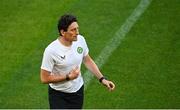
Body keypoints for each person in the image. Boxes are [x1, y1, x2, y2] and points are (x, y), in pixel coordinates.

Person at [40, 14, 115, 109]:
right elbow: (44, 78)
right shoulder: (51, 51)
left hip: (77, 92)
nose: (77, 33)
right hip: (58, 95)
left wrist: (102, 79)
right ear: (63, 32)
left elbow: (87, 60)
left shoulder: (80, 40)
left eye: (77, 29)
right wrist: (68, 77)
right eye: (73, 30)